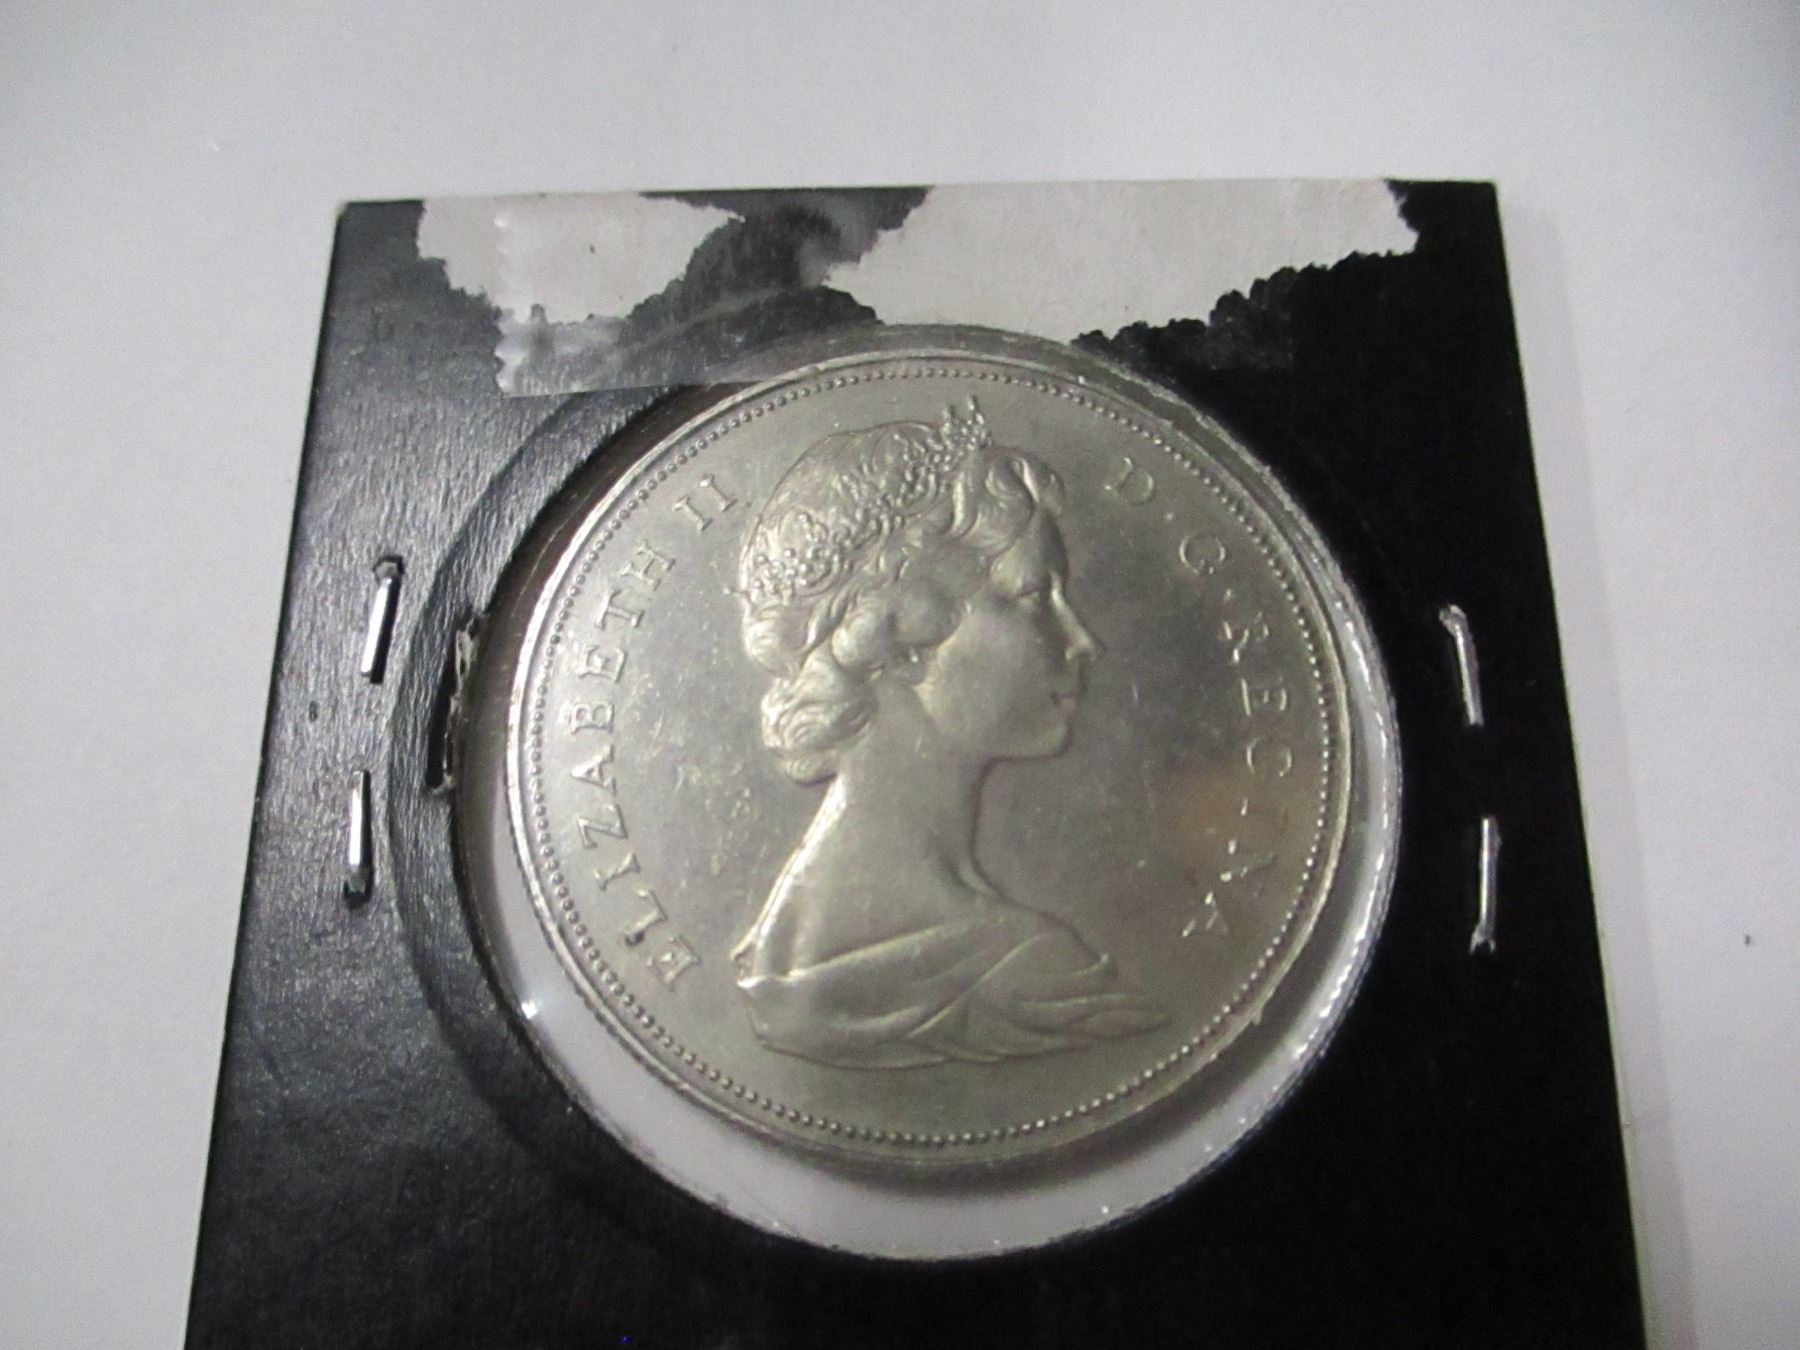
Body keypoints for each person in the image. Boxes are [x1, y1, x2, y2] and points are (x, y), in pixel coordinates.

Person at [732, 398, 1167, 1069]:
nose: (1083, 641)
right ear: (903, 636)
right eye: (1032, 598)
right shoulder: (1032, 972)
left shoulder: (777, 950)